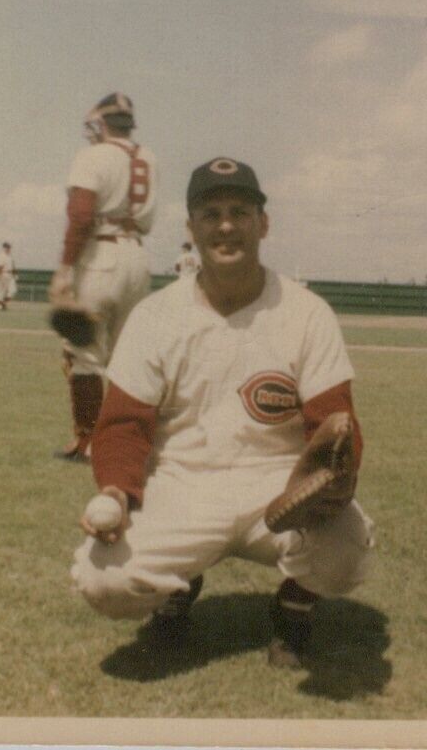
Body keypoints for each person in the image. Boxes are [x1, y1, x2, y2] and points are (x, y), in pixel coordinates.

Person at [71, 157, 374, 668]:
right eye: (211, 214)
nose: (226, 225)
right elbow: (122, 425)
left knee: (347, 545)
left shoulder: (305, 312)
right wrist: (117, 491)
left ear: (264, 224)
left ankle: (296, 603)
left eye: (240, 211)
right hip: (183, 485)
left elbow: (334, 418)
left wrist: (333, 477)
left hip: (278, 491)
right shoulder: (156, 316)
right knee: (104, 580)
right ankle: (176, 591)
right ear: (191, 229)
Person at [48, 92, 158, 463]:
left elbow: (80, 216)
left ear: (102, 123)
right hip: (139, 257)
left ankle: (89, 441)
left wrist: (64, 269)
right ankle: (129, 441)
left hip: (100, 255)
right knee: (129, 356)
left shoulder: (92, 156)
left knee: (84, 354)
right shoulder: (149, 157)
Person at [0, 242, 18, 310]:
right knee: (1, 291)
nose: (8, 249)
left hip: (10, 275)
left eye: (9, 247)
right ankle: (1, 305)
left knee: (13, 290)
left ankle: (3, 303)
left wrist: (15, 274)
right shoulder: (1, 256)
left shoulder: (10, 256)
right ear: (3, 248)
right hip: (3, 274)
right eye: (6, 247)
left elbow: (13, 266)